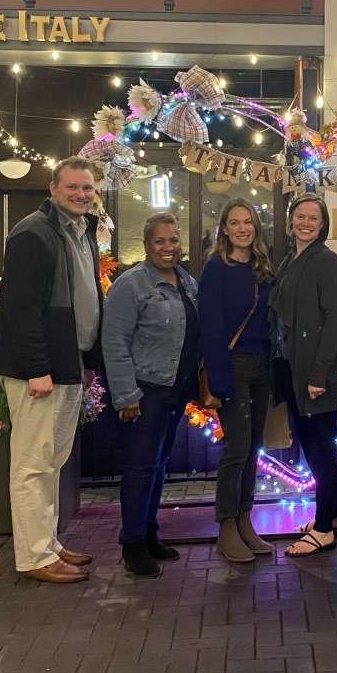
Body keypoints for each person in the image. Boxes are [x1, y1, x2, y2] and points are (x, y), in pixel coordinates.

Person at [0, 157, 103, 584]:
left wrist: (87, 363)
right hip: (40, 372)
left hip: (67, 365)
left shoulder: (81, 232)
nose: (80, 195)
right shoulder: (31, 234)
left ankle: (49, 543)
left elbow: (86, 301)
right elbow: (20, 311)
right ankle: (34, 557)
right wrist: (38, 368)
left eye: (87, 188)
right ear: (53, 188)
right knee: (32, 464)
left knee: (52, 460)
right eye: (72, 187)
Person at [102, 212, 199, 578]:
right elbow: (114, 342)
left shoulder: (187, 282)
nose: (168, 247)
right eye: (160, 241)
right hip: (145, 392)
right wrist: (126, 395)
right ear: (146, 246)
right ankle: (133, 543)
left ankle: (150, 531)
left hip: (176, 390)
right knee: (141, 467)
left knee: (158, 465)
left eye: (173, 240)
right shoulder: (131, 285)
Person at [269, 194, 337, 557]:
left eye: (313, 217)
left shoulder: (325, 260)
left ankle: (324, 530)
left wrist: (320, 373)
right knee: (312, 445)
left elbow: (334, 320)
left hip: (314, 374)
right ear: (290, 220)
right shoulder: (289, 259)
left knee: (320, 450)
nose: (305, 222)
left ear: (322, 224)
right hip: (290, 367)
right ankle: (328, 518)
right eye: (300, 216)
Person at [199, 197, 274, 563]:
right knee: (236, 449)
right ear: (224, 229)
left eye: (248, 221)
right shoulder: (216, 269)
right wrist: (220, 379)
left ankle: (246, 519)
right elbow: (210, 327)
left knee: (253, 449)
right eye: (234, 222)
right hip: (234, 366)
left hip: (263, 367)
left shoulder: (263, 267)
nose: (242, 228)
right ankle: (226, 525)